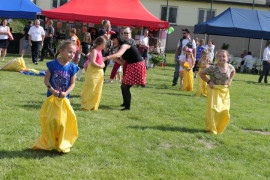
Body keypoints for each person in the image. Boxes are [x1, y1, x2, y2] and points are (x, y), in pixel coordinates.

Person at [32, 40, 79, 153]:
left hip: (64, 99)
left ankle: (61, 143)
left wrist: (66, 93)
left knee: (62, 123)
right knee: (52, 121)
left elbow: (72, 83)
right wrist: (51, 90)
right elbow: (46, 79)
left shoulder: (72, 67)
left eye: (74, 53)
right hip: (52, 99)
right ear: (61, 51)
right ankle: (49, 141)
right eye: (69, 52)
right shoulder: (53, 64)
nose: (72, 55)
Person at [103, 33, 146, 111]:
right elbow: (122, 62)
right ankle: (125, 103)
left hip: (137, 65)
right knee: (123, 86)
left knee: (125, 86)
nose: (113, 41)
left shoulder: (125, 45)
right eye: (112, 40)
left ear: (118, 38)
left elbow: (119, 54)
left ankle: (127, 107)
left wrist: (106, 57)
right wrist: (115, 59)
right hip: (131, 65)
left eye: (113, 39)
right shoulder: (120, 47)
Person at [199, 50, 235, 134]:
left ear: (227, 58)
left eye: (224, 56)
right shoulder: (213, 68)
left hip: (224, 91)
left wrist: (230, 80)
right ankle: (211, 128)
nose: (222, 58)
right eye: (219, 56)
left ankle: (219, 127)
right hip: (214, 90)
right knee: (213, 110)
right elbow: (201, 73)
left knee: (225, 110)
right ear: (217, 58)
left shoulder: (230, 67)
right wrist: (208, 82)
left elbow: (233, 71)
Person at [81, 36, 107, 111]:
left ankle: (93, 105)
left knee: (97, 89)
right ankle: (86, 105)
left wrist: (103, 64)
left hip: (98, 72)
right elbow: (92, 62)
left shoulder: (100, 51)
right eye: (104, 44)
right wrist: (100, 66)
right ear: (100, 44)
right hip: (93, 71)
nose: (105, 46)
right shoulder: (94, 51)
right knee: (91, 88)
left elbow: (101, 60)